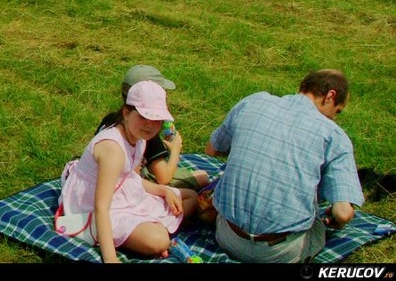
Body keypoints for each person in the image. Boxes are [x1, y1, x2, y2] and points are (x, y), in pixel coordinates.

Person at [205, 69, 365, 263]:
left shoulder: (253, 102)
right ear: (330, 96)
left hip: (228, 237)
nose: (334, 118)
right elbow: (343, 213)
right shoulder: (333, 135)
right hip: (281, 253)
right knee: (313, 207)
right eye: (336, 112)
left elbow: (212, 150)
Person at [60, 80, 199, 263]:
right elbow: (101, 206)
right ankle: (148, 234)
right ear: (126, 113)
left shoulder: (139, 138)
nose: (150, 125)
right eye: (143, 117)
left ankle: (147, 231)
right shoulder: (113, 149)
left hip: (123, 192)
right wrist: (110, 259)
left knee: (190, 197)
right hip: (95, 203)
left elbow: (128, 178)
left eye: (156, 120)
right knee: (158, 240)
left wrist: (163, 190)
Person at [96, 65, 210, 191]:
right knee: (202, 177)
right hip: (129, 187)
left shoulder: (111, 119)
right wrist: (175, 150)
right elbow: (163, 178)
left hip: (112, 183)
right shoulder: (145, 132)